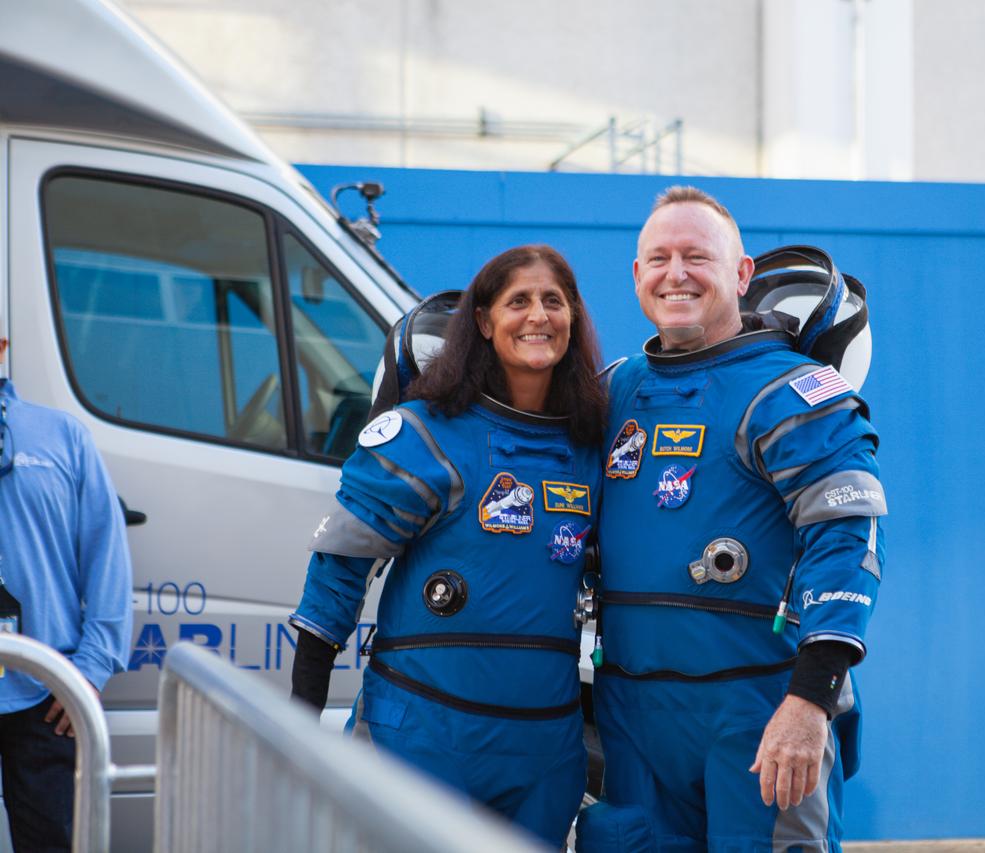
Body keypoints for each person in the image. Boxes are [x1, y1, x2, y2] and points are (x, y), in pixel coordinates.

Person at [576, 187, 886, 852]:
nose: (676, 272)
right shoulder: (614, 391)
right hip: (632, 716)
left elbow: (846, 540)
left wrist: (810, 701)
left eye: (697, 256)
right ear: (637, 275)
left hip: (760, 713)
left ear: (742, 274)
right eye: (658, 257)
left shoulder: (792, 392)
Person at [288, 245, 606, 847]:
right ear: (484, 322)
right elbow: (337, 575)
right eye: (519, 301)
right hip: (423, 739)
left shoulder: (593, 447)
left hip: (543, 752)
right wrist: (302, 717)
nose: (538, 315)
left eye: (553, 302)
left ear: (573, 319)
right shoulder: (423, 435)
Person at [0, 336, 133, 853]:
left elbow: (107, 558)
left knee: (54, 842)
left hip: (46, 691)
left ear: (2, 345)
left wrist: (89, 667)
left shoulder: (62, 436)